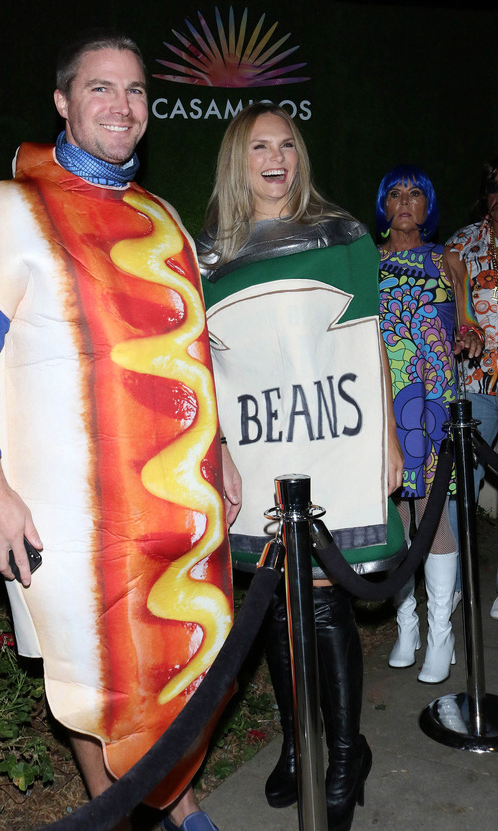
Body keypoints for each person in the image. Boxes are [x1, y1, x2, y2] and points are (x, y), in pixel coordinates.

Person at [0, 29, 241, 831]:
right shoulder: (12, 209)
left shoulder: (163, 218)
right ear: (63, 102)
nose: (122, 104)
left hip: (171, 498)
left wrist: (220, 452)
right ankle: (130, 814)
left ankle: (173, 806)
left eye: (135, 89)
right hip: (61, 513)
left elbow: (191, 350)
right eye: (100, 87)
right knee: (90, 675)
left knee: (170, 660)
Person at [197, 102, 404, 831]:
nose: (276, 158)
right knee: (277, 606)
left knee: (321, 599)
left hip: (331, 437)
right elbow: (201, 364)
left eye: (287, 144)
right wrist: (219, 447)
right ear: (238, 159)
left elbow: (367, 338)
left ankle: (345, 754)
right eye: (260, 147)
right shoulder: (206, 256)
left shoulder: (341, 233)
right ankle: (296, 742)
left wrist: (387, 437)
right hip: (258, 445)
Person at [376, 165, 483, 682]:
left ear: (428, 206)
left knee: (432, 509)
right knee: (394, 512)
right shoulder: (366, 261)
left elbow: (469, 322)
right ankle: (407, 625)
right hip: (384, 402)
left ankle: (441, 633)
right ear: (383, 205)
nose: (404, 201)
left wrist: (470, 336)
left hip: (434, 401)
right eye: (395, 193)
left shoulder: (449, 259)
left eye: (415, 193)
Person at [445, 155, 498, 620]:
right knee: (463, 484)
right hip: (480, 379)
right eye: (495, 187)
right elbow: (447, 302)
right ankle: (455, 584)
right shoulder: (462, 243)